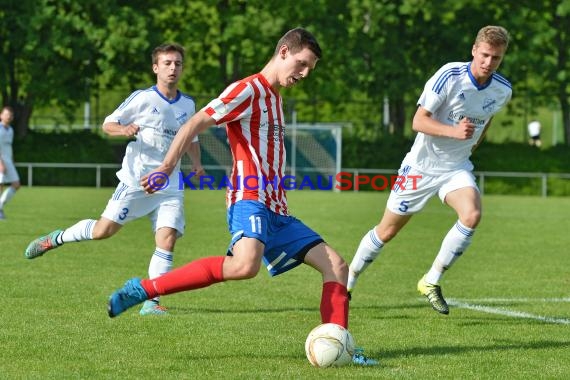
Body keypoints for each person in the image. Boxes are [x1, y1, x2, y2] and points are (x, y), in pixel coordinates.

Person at [106, 28, 377, 365]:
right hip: (248, 197)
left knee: (336, 266)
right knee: (245, 265)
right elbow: (194, 123)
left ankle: (342, 345)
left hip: (276, 208)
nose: (304, 74)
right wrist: (166, 166)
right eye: (301, 64)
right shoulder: (247, 90)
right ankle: (145, 289)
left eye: (310, 69)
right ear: (283, 52)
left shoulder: (275, 98)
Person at [24, 43, 204, 316]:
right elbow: (107, 123)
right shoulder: (143, 98)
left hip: (170, 183)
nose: (173, 68)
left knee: (167, 238)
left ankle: (152, 302)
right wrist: (123, 129)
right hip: (136, 181)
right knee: (102, 232)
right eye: (167, 63)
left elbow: (190, 137)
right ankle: (56, 238)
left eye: (177, 63)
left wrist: (198, 165)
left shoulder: (188, 104)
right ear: (156, 67)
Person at [347, 26, 513, 315]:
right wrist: (454, 132)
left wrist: (470, 147)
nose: (489, 62)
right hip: (420, 167)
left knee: (472, 214)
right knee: (386, 231)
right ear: (474, 50)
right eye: (485, 55)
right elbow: (418, 121)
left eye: (496, 58)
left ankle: (431, 280)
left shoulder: (503, 89)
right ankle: (346, 282)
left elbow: (485, 121)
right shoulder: (450, 75)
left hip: (455, 167)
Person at [0, 106, 21, 220]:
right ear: (1, 115)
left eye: (10, 115)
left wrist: (12, 158)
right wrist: (1, 163)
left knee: (16, 184)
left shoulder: (10, 130)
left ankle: (0, 206)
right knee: (0, 185)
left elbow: (9, 146)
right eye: (6, 114)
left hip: (8, 160)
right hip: (1, 160)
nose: (9, 116)